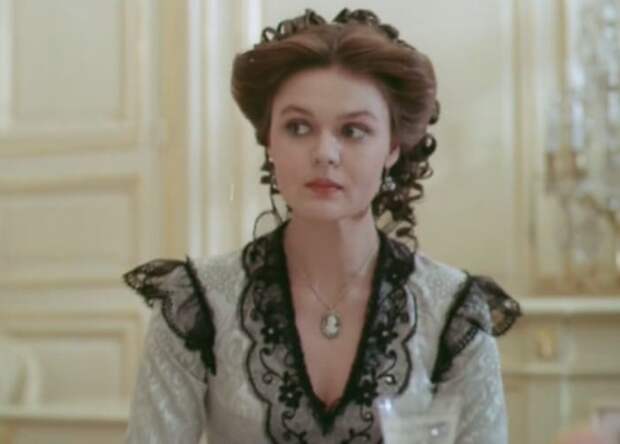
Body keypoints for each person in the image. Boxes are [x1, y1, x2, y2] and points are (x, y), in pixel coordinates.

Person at [122, 8, 522, 444]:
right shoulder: (198, 304)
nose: (325, 153)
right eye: (298, 127)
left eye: (353, 131)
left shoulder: (452, 312)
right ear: (269, 141)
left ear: (392, 148)